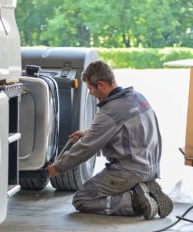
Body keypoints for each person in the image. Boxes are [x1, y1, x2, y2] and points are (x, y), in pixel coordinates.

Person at [46, 60, 173, 220]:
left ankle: (135, 200)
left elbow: (86, 149)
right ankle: (143, 187)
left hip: (129, 170)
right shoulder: (138, 98)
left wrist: (58, 168)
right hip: (152, 167)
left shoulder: (110, 111)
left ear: (101, 85)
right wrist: (89, 133)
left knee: (82, 199)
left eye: (91, 89)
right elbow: (130, 133)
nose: (91, 93)